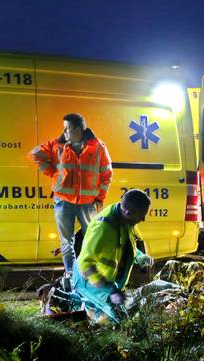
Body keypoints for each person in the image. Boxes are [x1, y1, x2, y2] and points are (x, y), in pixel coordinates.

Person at [29, 113, 113, 273]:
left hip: (88, 203)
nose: (64, 131)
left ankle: (90, 274)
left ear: (79, 129)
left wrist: (100, 197)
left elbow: (107, 174)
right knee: (67, 242)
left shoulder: (98, 147)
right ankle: (71, 275)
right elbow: (34, 155)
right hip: (63, 201)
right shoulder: (58, 145)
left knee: (92, 239)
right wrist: (53, 173)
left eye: (67, 128)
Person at [70, 189, 154, 323]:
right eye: (142, 215)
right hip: (90, 284)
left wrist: (140, 256)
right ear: (128, 213)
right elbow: (84, 265)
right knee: (115, 322)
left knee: (120, 318)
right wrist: (110, 290)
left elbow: (126, 245)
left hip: (106, 284)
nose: (143, 219)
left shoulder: (123, 218)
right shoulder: (103, 229)